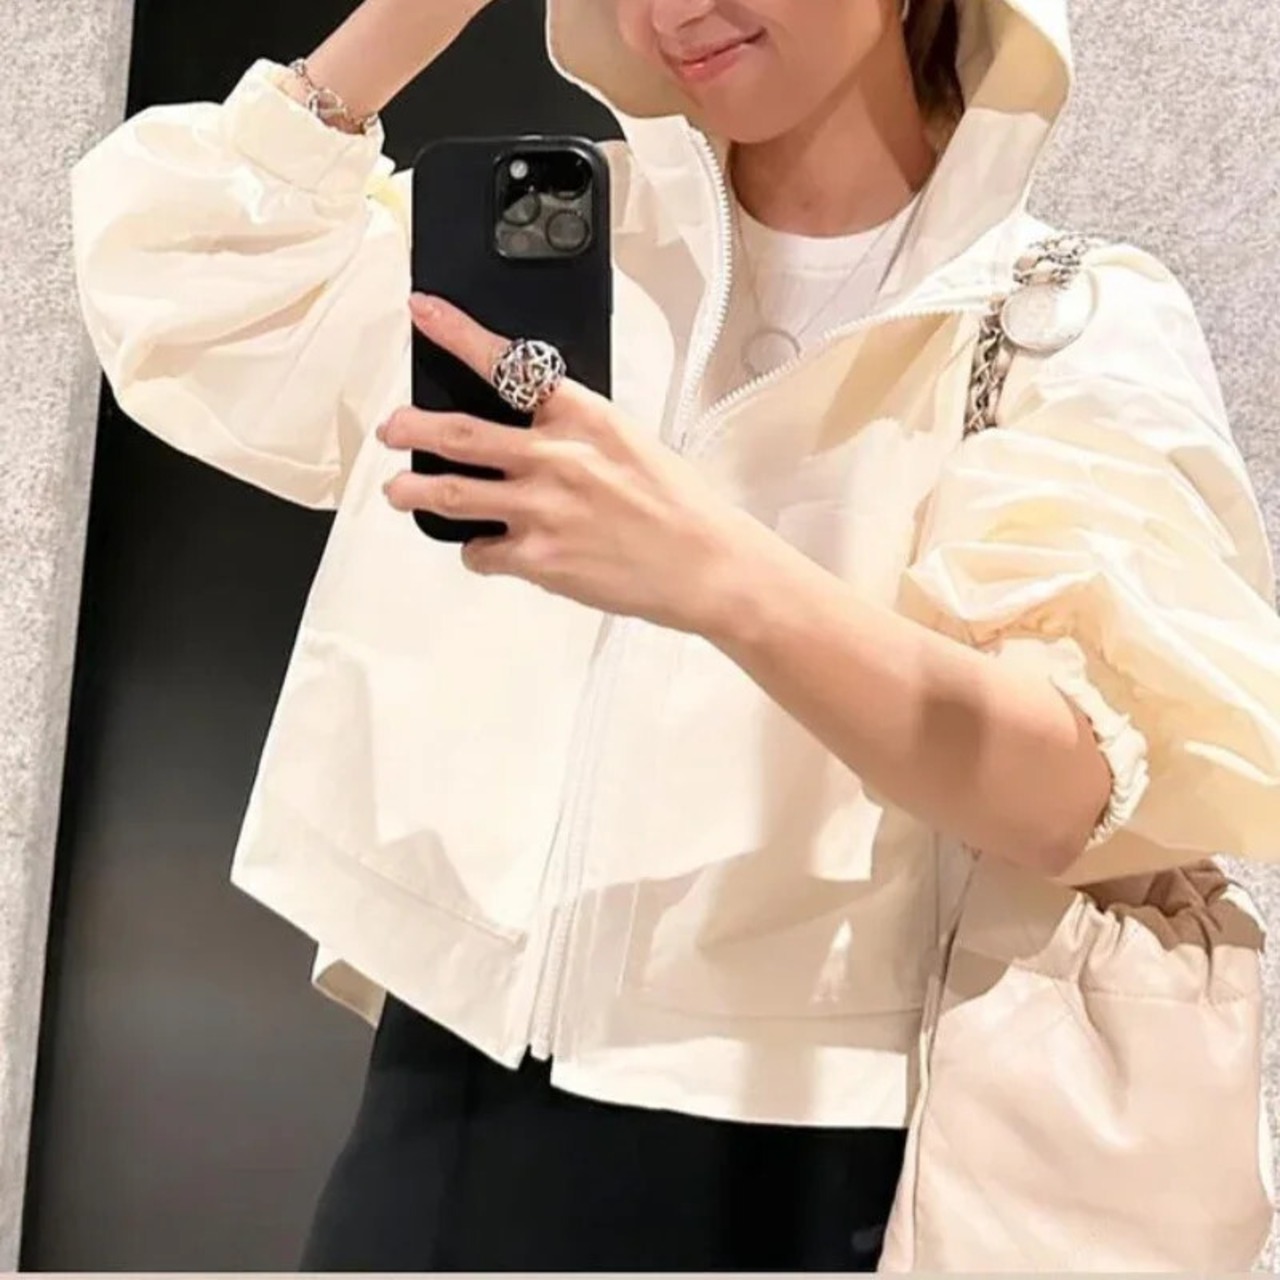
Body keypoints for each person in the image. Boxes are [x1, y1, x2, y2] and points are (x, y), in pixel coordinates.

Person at [70, 0, 1280, 1270]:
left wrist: (710, 568)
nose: (671, 11)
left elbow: (1072, 784)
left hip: (812, 1151)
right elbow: (179, 270)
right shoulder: (544, 249)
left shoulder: (1052, 323)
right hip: (446, 1113)